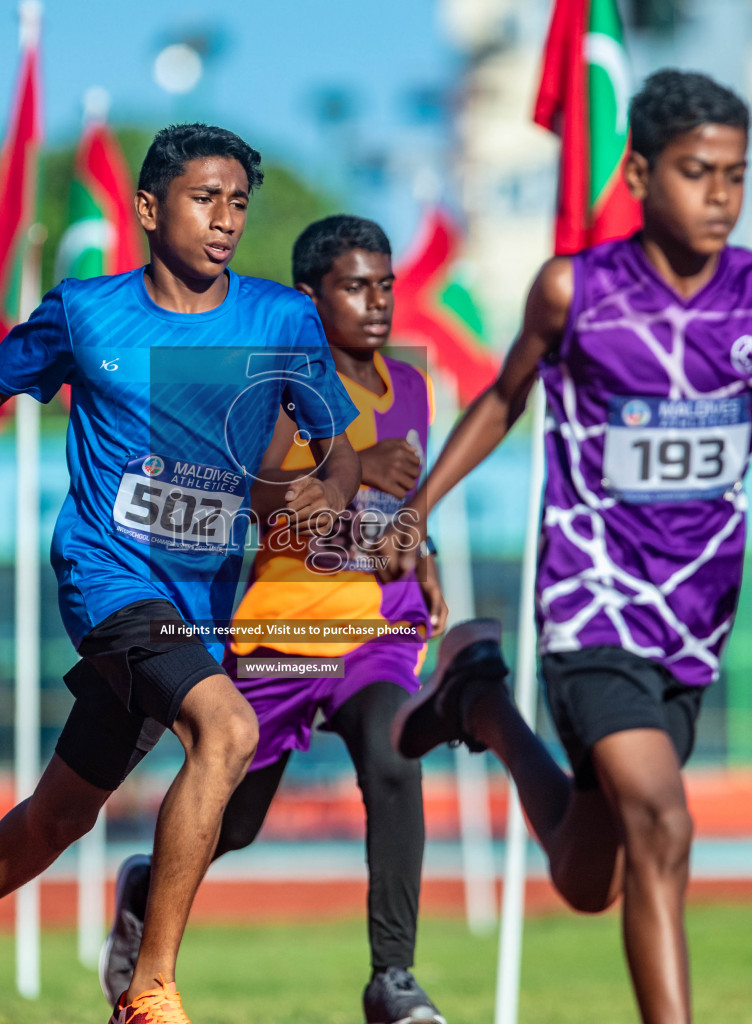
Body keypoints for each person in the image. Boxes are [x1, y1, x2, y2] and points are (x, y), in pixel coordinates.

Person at [384, 71, 752, 1024]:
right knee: (663, 823)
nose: (719, 195)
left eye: (736, 175)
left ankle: (481, 704)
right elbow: (503, 399)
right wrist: (417, 505)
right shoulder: (575, 291)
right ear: (637, 171)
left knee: (593, 877)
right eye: (694, 172)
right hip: (591, 598)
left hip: (696, 613)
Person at [0, 123, 360, 1024]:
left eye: (238, 205)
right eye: (204, 198)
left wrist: (326, 495)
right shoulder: (85, 311)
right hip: (105, 577)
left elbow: (339, 452)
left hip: (199, 608)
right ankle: (150, 988)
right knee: (227, 729)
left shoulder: (283, 319)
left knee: (64, 814)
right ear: (148, 208)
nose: (225, 221)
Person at [98, 216, 449, 1024]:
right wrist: (358, 495)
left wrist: (414, 546)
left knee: (395, 754)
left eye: (386, 285)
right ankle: (149, 888)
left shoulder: (416, 389)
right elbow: (252, 510)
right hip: (278, 636)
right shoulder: (275, 393)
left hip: (377, 634)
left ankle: (392, 978)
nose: (377, 302)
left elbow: (398, 514)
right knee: (235, 823)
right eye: (355, 287)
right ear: (308, 296)